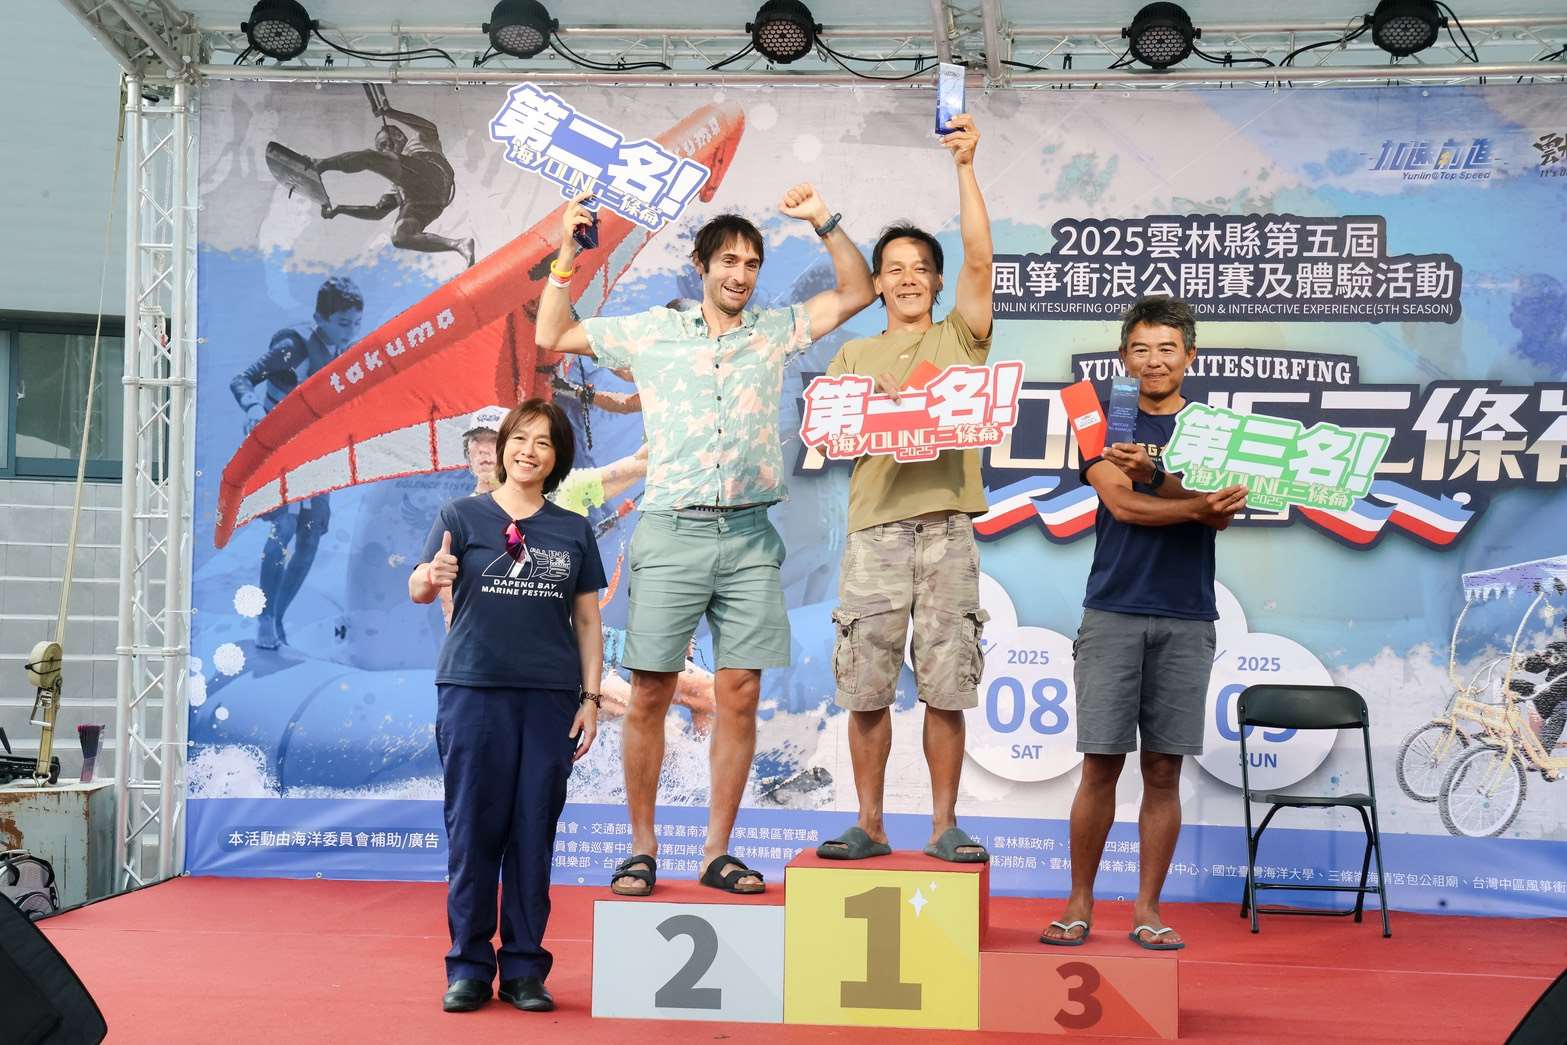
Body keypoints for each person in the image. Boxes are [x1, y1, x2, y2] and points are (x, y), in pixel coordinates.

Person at [535, 185, 875, 895]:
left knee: (739, 693)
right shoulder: (652, 332)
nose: (739, 274)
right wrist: (566, 253)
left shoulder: (773, 330)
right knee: (652, 690)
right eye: (728, 261)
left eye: (751, 264)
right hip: (672, 530)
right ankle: (642, 847)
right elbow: (554, 334)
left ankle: (717, 851)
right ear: (701, 266)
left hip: (749, 536)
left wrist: (823, 219)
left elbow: (855, 291)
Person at [811, 114, 994, 864]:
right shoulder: (854, 352)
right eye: (894, 268)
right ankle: (871, 823)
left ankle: (944, 824)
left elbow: (980, 258)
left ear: (938, 280)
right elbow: (827, 434)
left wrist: (964, 166)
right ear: (879, 281)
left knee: (947, 685)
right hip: (875, 534)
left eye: (921, 266)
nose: (908, 277)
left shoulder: (961, 336)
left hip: (947, 528)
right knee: (866, 685)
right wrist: (868, 413)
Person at [1040, 296, 1248, 951]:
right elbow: (1124, 506)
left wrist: (1164, 480)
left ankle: (1148, 909)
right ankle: (1078, 902)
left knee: (1162, 772)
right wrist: (1191, 501)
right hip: (1112, 611)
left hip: (1188, 616)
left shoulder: (1213, 430)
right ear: (1123, 357)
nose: (1154, 360)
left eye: (1166, 349)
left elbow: (1220, 513)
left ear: (1190, 356)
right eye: (1141, 348)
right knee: (1099, 766)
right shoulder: (1104, 418)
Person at [408, 398, 606, 1014]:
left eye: (544, 443)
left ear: (557, 458)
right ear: (501, 447)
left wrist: (591, 698)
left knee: (531, 833)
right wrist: (432, 575)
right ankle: (468, 966)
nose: (529, 451)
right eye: (520, 438)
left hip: (549, 700)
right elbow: (418, 586)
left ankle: (523, 969)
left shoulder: (572, 528)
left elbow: (587, 621)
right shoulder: (460, 515)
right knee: (473, 832)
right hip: (472, 692)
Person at [230, 276, 365, 649]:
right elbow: (242, 379)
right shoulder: (293, 347)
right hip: (279, 450)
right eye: (343, 323)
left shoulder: (349, 353)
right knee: (285, 526)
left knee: (311, 535)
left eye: (356, 323)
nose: (351, 331)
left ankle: (278, 617)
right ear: (320, 318)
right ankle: (265, 619)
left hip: (315, 455)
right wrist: (253, 408)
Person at [312, 94, 474, 266]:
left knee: (369, 157)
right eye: (380, 149)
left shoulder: (418, 141)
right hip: (430, 203)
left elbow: (430, 128)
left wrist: (391, 113)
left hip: (433, 175)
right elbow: (378, 212)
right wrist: (340, 209)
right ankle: (458, 244)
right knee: (400, 237)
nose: (384, 150)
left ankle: (319, 164)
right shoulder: (396, 184)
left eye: (385, 143)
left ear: (399, 136)